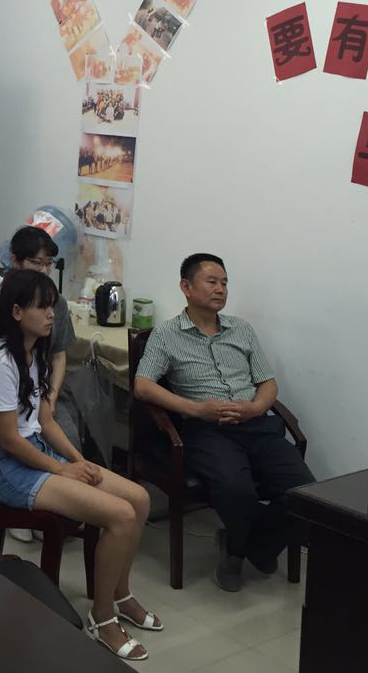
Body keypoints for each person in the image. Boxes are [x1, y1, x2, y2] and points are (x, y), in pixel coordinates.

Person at [0, 269, 160, 661]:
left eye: (52, 306)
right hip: (4, 464)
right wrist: (60, 470)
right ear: (17, 312)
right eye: (42, 307)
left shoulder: (32, 353)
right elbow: (9, 439)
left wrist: (78, 460)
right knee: (120, 515)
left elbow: (45, 420)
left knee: (139, 500)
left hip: (33, 448)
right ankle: (102, 617)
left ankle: (120, 593)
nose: (51, 315)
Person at [133, 253, 314, 592]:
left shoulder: (241, 329)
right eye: (212, 282)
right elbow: (143, 386)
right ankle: (238, 552)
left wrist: (255, 408)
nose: (221, 289)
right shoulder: (166, 334)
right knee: (236, 489)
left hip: (256, 424)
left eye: (225, 283)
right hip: (207, 430)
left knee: (306, 494)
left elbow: (268, 383)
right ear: (186, 287)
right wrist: (195, 409)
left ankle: (247, 546)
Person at [0, 226, 82, 451]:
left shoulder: (58, 303)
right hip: (7, 396)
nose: (44, 271)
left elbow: (58, 356)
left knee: (70, 441)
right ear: (14, 260)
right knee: (32, 447)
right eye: (37, 263)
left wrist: (51, 398)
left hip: (44, 391)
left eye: (49, 263)